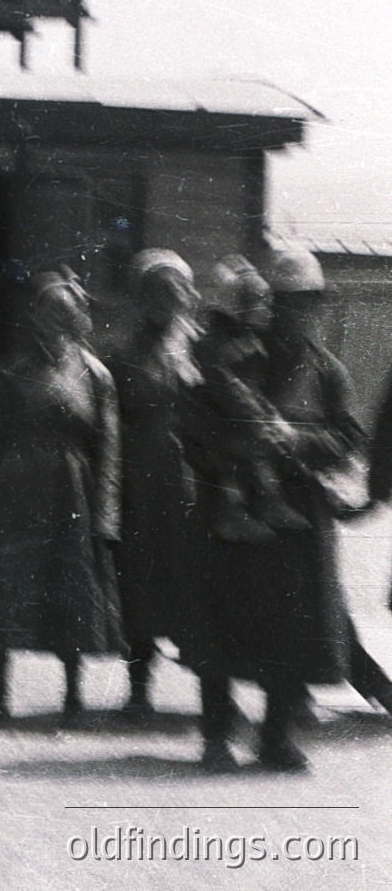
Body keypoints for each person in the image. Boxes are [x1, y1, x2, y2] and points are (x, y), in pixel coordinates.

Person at [193, 250, 378, 771]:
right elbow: (199, 418)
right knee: (226, 621)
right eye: (290, 303)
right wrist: (242, 446)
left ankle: (275, 737)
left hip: (300, 512)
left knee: (291, 628)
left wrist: (297, 437)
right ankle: (216, 737)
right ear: (272, 304)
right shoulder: (242, 356)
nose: (300, 313)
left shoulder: (327, 370)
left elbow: (348, 435)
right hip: (240, 509)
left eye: (309, 303)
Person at [0, 270, 123, 725]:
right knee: (13, 584)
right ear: (33, 315)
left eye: (66, 309)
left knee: (73, 586)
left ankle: (74, 695)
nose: (58, 318)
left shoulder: (95, 374)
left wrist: (107, 513)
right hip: (19, 488)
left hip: (74, 489)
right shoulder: (13, 370)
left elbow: (109, 447)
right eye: (48, 309)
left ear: (79, 314)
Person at [108, 250, 205, 721]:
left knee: (196, 580)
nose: (165, 300)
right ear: (139, 297)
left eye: (174, 290)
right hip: (141, 483)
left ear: (188, 296)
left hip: (191, 480)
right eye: (154, 291)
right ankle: (139, 685)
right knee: (139, 585)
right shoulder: (122, 353)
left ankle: (212, 692)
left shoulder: (201, 349)